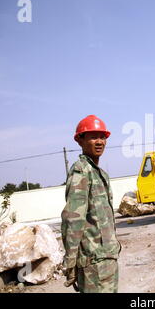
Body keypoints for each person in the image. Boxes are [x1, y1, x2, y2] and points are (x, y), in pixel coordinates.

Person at [61, 115, 121, 293]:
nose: (99, 141)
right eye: (93, 136)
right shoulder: (81, 171)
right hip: (93, 263)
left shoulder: (99, 173)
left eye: (102, 137)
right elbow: (73, 219)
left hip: (108, 257)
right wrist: (70, 262)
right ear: (80, 140)